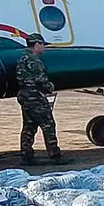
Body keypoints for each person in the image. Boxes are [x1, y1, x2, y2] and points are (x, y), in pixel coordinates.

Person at [15, 33, 68, 165]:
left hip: (25, 96)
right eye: (43, 44)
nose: (44, 47)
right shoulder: (33, 60)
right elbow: (41, 79)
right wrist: (50, 87)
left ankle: (26, 155)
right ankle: (55, 155)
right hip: (35, 97)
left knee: (29, 126)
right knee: (48, 124)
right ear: (36, 44)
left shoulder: (23, 58)